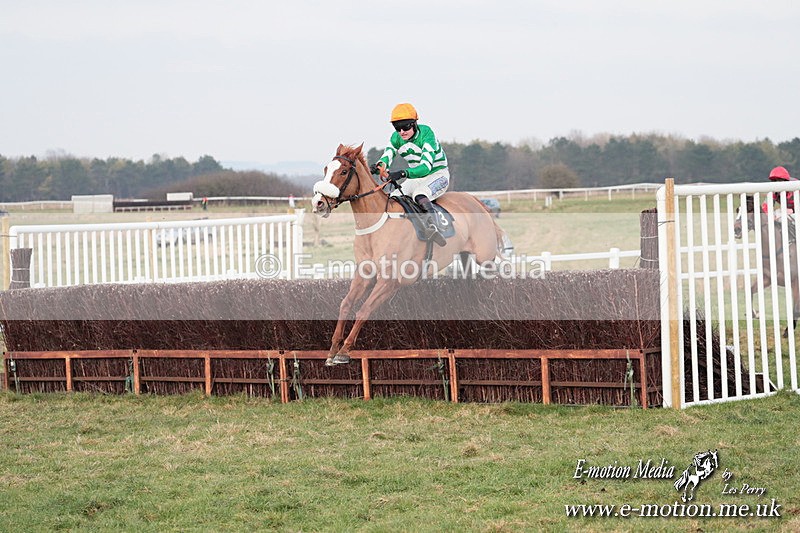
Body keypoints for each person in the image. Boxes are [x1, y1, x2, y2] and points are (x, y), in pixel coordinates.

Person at [374, 103, 449, 246]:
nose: (401, 131)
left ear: (414, 124)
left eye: (406, 126)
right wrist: (379, 167)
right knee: (393, 198)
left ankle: (434, 227)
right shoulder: (395, 138)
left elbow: (426, 167)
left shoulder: (426, 133)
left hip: (437, 174)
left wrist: (403, 172)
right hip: (416, 177)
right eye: (397, 128)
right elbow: (387, 156)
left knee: (419, 194)